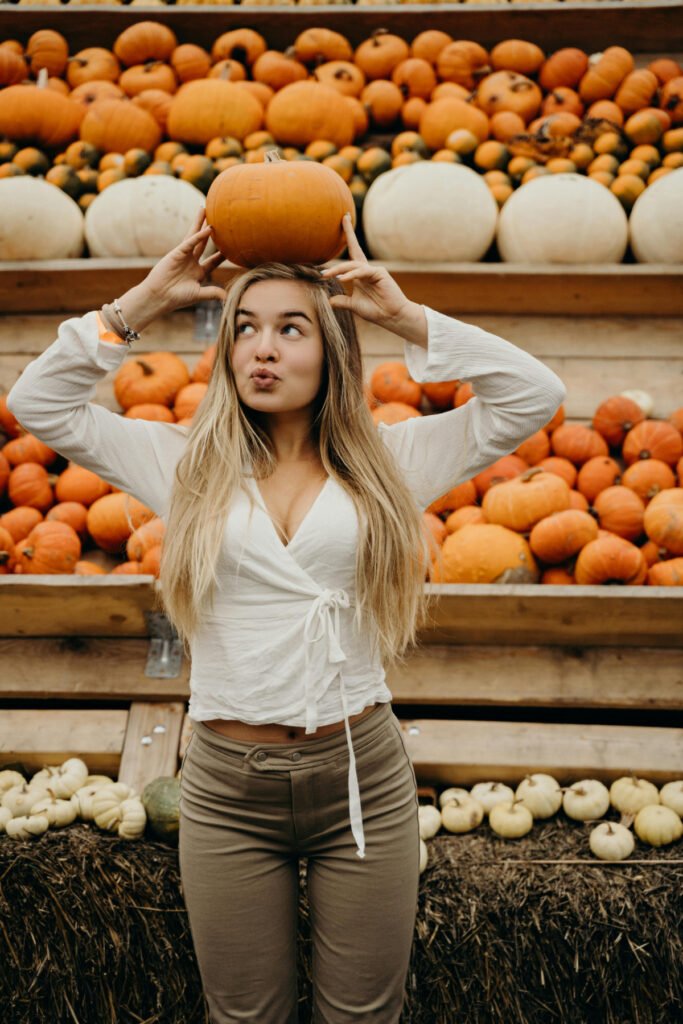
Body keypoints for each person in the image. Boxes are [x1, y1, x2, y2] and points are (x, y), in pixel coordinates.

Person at [6, 207, 566, 1024]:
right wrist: (142, 302)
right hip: (229, 787)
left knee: (365, 1013)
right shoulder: (183, 465)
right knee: (243, 1015)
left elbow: (534, 396)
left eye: (292, 329)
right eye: (246, 329)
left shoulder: (392, 463)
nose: (263, 348)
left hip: (359, 776)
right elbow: (38, 403)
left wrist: (404, 317)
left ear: (331, 348)